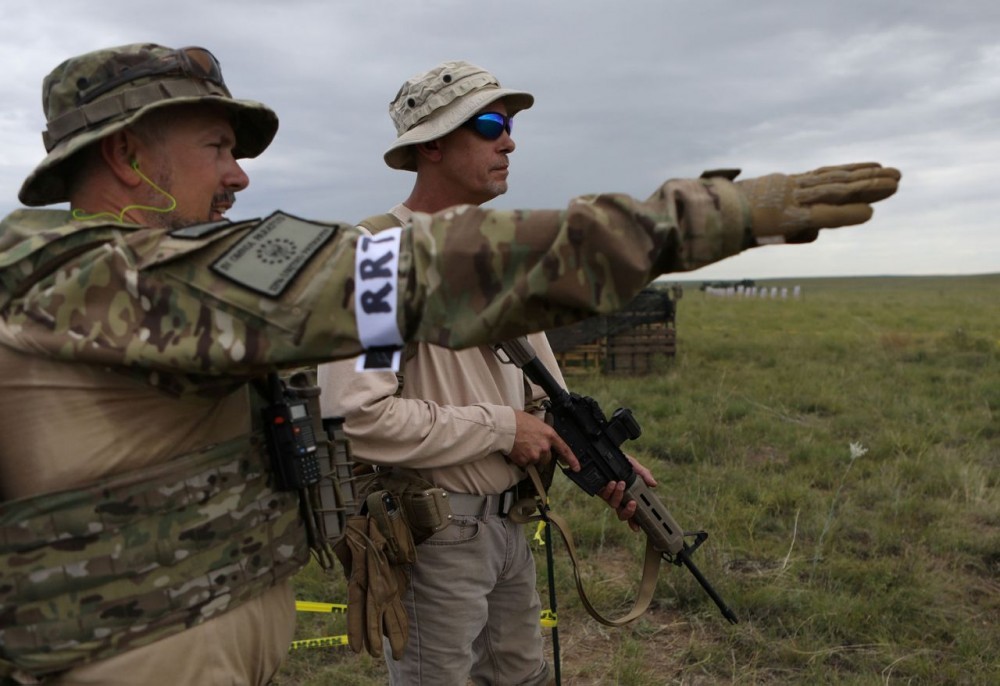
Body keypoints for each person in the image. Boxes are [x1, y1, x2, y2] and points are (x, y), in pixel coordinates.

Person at [0, 43, 899, 686]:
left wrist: (577, 450)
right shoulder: (94, 280)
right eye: (219, 149)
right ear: (125, 155)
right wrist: (690, 219)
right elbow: (402, 306)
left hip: (236, 629)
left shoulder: (166, 293)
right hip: (375, 561)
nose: (238, 178)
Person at [318, 60, 661, 686]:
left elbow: (543, 399)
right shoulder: (374, 260)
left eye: (509, 125)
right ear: (432, 147)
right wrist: (499, 429)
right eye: (488, 124)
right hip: (436, 540)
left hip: (511, 525)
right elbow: (355, 418)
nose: (509, 140)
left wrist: (602, 461)